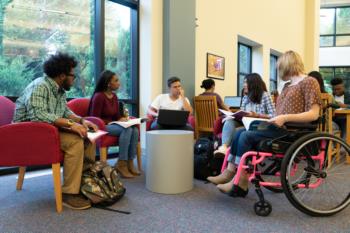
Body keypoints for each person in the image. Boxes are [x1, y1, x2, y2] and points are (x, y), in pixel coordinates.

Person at [208, 51, 321, 197]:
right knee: (239, 132)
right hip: (278, 126)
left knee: (246, 136)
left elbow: (314, 114)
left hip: (292, 131)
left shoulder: (309, 81)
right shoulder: (287, 86)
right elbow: (277, 114)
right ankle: (229, 172)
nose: (278, 70)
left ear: (287, 64)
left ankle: (241, 181)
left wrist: (285, 118)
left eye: (279, 66)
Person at [14, 52, 98, 210]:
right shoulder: (40, 86)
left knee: (87, 137)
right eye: (73, 75)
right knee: (74, 142)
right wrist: (71, 125)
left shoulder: (58, 90)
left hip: (46, 131)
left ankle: (84, 183)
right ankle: (69, 193)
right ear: (61, 75)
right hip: (27, 135)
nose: (74, 79)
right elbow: (38, 115)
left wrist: (81, 121)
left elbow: (65, 112)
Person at [89, 70, 140, 178]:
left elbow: (116, 116)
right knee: (127, 129)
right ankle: (121, 163)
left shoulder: (114, 97)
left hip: (112, 125)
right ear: (108, 83)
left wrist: (122, 119)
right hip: (100, 126)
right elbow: (94, 118)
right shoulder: (99, 96)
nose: (119, 83)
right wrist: (112, 122)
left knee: (134, 129)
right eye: (116, 80)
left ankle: (129, 162)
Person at [213, 73, 276, 157]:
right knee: (229, 120)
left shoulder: (265, 95)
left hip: (257, 124)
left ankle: (231, 157)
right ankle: (224, 148)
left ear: (253, 83)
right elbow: (242, 111)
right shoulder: (246, 97)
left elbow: (274, 115)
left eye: (246, 82)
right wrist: (234, 115)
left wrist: (257, 115)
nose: (244, 85)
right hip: (245, 121)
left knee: (236, 132)